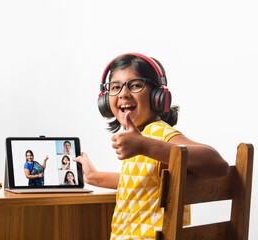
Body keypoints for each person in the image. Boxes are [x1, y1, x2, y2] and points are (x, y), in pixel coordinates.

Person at [73, 53, 229, 239]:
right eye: (115, 87)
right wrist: (95, 177)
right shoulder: (144, 136)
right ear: (106, 101)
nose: (123, 93)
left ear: (158, 96)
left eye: (136, 85)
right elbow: (143, 180)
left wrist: (144, 146)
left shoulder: (157, 133)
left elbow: (219, 165)